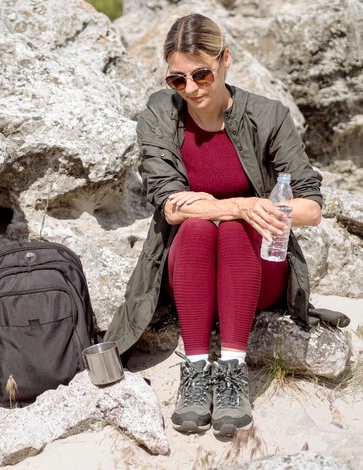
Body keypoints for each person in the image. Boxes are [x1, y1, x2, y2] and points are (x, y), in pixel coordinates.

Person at [103, 13, 347, 437]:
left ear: (225, 60)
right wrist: (243, 204)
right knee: (199, 227)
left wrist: (238, 212)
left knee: (235, 229)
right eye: (178, 80)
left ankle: (232, 371)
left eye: (202, 74)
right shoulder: (161, 114)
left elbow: (310, 208)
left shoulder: (268, 115)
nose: (192, 90)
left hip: (258, 270)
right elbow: (172, 206)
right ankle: (196, 371)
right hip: (190, 268)